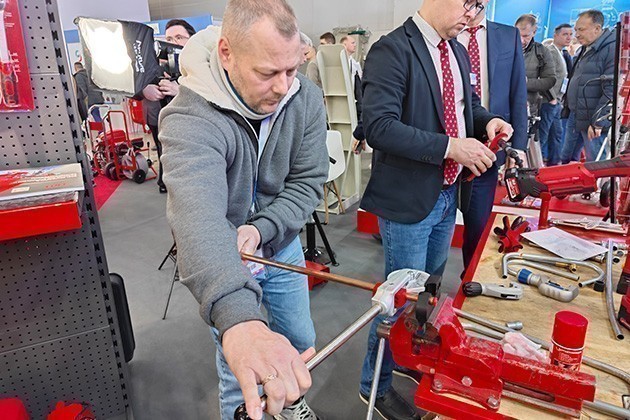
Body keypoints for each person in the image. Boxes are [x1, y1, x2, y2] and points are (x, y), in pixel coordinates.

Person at [158, 0, 329, 419]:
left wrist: (262, 228)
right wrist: (239, 320)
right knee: (241, 368)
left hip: (282, 247)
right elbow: (197, 217)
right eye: (267, 73)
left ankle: (291, 404)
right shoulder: (190, 115)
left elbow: (307, 182)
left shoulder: (304, 97)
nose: (284, 86)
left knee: (299, 340)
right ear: (226, 53)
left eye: (291, 70)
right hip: (225, 255)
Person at [358, 0, 514, 418]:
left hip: (446, 196)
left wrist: (487, 121)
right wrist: (451, 148)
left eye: (479, 6)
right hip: (409, 200)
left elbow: (466, 108)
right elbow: (379, 127)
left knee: (427, 293)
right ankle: (374, 386)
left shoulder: (456, 50)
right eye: (469, 3)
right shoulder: (392, 50)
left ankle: (405, 356)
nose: (473, 14)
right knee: (398, 301)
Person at [458, 0, 527, 270]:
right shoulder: (446, 32)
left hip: (489, 146)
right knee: (436, 226)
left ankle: (469, 278)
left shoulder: (507, 36)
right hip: (448, 142)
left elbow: (518, 92)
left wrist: (517, 146)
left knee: (477, 227)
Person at [141, 19, 196, 193]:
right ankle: (165, 181)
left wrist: (179, 90)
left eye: (179, 37)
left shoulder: (204, 63)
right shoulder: (156, 63)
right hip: (158, 117)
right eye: (169, 39)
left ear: (192, 38)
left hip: (192, 121)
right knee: (163, 150)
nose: (173, 43)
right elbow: (135, 84)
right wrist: (145, 90)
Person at [560, 10, 616, 164]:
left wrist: (599, 121)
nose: (576, 34)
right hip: (576, 113)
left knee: (596, 163)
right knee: (567, 159)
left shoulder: (611, 50)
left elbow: (611, 90)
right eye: (576, 30)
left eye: (581, 30)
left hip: (593, 119)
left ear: (597, 28)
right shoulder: (586, 47)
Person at [538, 24, 570, 166]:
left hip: (557, 100)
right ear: (555, 35)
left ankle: (554, 162)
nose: (569, 37)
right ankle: (536, 164)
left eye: (570, 34)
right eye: (565, 34)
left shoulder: (562, 53)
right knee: (543, 134)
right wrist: (551, 98)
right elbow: (545, 76)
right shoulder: (550, 51)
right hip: (549, 101)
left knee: (557, 133)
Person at [515, 14, 556, 119]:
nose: (521, 40)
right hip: (503, 107)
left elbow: (550, 80)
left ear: (534, 32)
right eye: (518, 35)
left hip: (528, 108)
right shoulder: (503, 48)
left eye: (526, 36)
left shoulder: (542, 52)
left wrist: (525, 82)